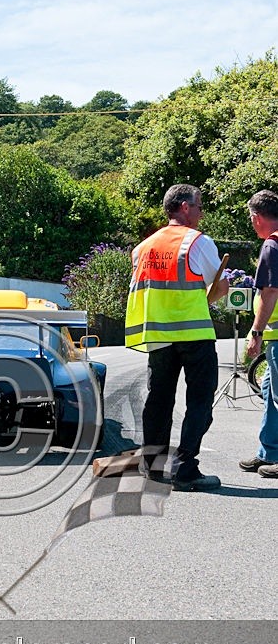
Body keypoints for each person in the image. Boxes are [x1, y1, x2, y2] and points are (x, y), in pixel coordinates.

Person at [125, 184, 229, 491]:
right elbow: (220, 286)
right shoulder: (197, 242)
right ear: (184, 207)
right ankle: (185, 469)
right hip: (194, 334)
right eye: (198, 206)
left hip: (158, 335)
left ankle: (152, 466)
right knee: (199, 400)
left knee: (157, 400)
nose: (200, 212)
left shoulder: (142, 248)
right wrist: (204, 302)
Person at [238, 189, 278, 477]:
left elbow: (270, 290)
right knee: (268, 391)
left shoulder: (272, 246)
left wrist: (256, 331)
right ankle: (268, 452)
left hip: (276, 333)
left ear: (257, 218)